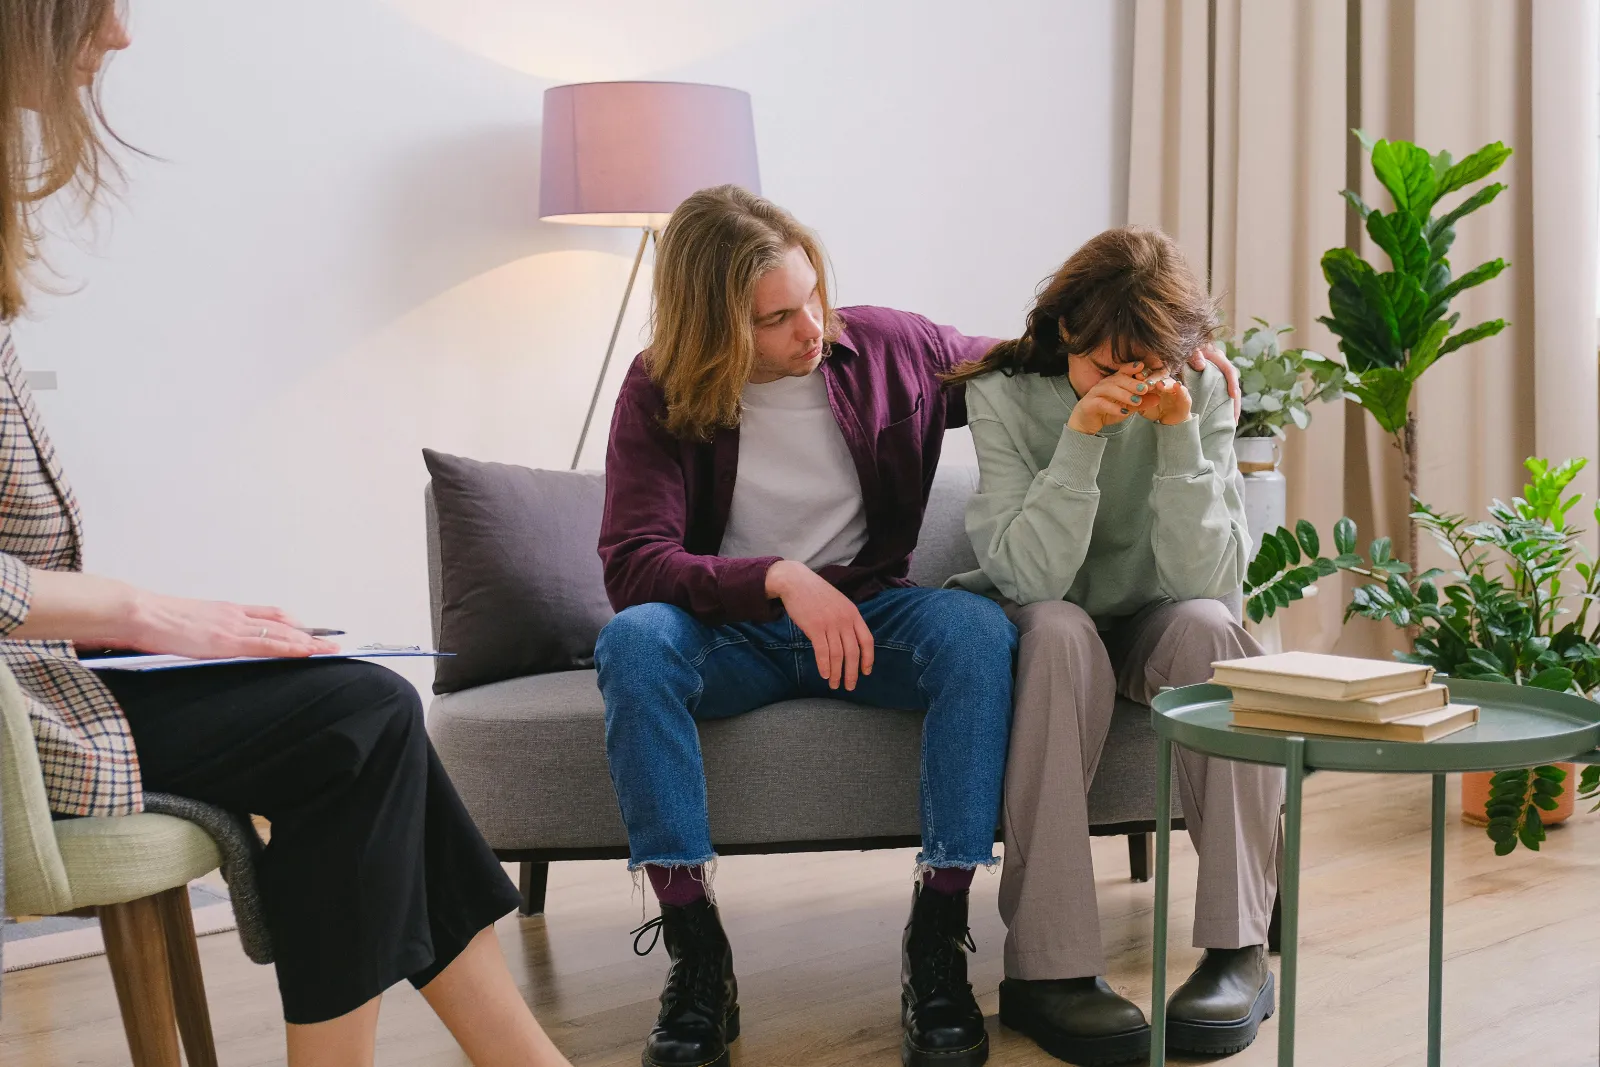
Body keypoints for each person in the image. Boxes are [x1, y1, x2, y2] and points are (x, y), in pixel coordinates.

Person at [0, 6, 571, 1066]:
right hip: (18, 714)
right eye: (102, 9)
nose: (121, 38)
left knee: (359, 712)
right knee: (355, 719)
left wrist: (155, 624)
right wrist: (140, 609)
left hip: (45, 673)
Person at [593, 188, 1241, 1067]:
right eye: (778, 318)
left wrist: (1170, 342)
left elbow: (1037, 355)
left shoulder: (890, 346)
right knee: (632, 643)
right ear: (717, 329)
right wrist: (779, 579)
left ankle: (937, 937)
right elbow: (634, 563)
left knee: (976, 630)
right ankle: (696, 951)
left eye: (812, 295)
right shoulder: (659, 388)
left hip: (874, 618)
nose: (812, 327)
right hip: (734, 631)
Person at [946, 226, 1281, 1064]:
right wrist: (1082, 439)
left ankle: (1241, 948)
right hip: (1051, 614)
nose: (1131, 383)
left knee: (1211, 629)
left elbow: (1211, 578)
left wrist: (1176, 437)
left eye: (1152, 365)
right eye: (1106, 366)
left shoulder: (1199, 389)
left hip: (1157, 618)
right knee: (1059, 631)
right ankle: (1046, 970)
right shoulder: (1003, 395)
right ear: (1066, 330)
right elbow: (1029, 577)